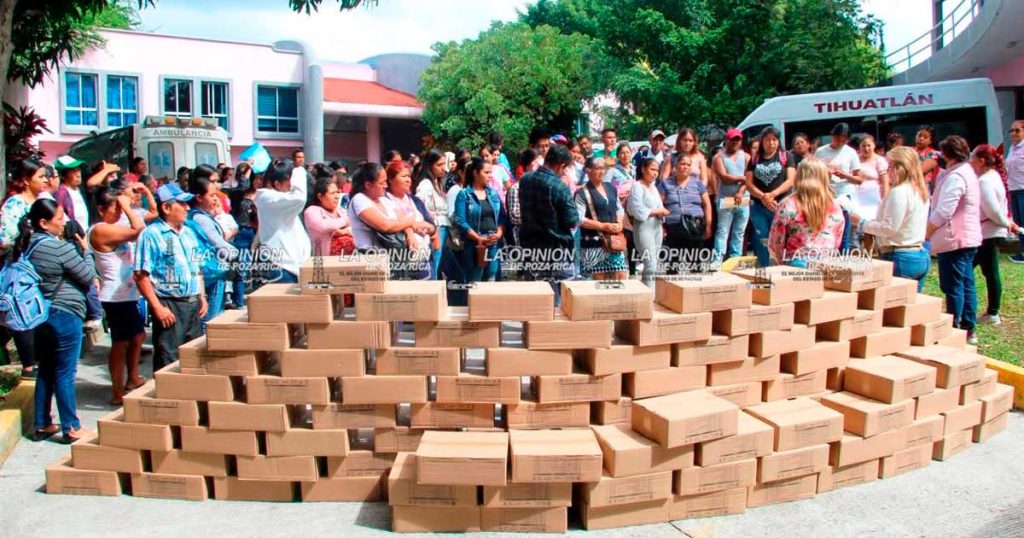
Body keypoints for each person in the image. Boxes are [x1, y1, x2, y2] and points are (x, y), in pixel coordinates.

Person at [16, 199, 96, 443]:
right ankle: (71, 427)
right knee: (64, 372)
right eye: (59, 218)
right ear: (44, 222)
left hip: (40, 315)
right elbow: (87, 276)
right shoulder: (57, 247)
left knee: (47, 370)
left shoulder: (27, 246)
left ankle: (42, 424)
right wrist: (87, 250)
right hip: (65, 312)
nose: (64, 223)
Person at [134, 184, 206, 371]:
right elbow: (141, 275)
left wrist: (202, 296)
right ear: (166, 208)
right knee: (169, 360)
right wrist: (157, 307)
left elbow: (197, 266)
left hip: (193, 304)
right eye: (182, 204)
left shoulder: (189, 232)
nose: (187, 208)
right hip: (170, 304)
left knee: (195, 357)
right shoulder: (151, 235)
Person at [89, 189, 147, 405]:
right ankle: (117, 391)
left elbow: (146, 218)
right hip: (115, 296)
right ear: (101, 210)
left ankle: (132, 377)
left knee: (138, 336)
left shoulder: (114, 227)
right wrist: (127, 206)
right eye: (115, 208)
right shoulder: (100, 230)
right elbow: (138, 229)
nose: (119, 211)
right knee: (120, 343)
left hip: (128, 293)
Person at [851, 147, 931, 290]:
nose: (887, 172)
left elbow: (889, 228)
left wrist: (861, 223)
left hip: (901, 256)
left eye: (889, 167)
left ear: (899, 168)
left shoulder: (899, 192)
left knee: (895, 307)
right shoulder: (920, 189)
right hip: (919, 254)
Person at [927, 135, 981, 345]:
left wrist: (928, 230)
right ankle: (969, 327)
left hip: (955, 238)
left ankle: (956, 328)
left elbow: (944, 210)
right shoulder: (967, 172)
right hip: (967, 237)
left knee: (953, 286)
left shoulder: (956, 177)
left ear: (948, 155)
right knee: (967, 283)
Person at [0, 159, 50, 378]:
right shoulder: (15, 205)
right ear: (26, 180)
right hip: (20, 271)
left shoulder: (45, 201)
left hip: (44, 270)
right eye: (40, 176)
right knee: (20, 314)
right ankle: (29, 367)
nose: (45, 180)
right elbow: (4, 240)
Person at [517, 144, 581, 287]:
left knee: (537, 300)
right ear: (561, 166)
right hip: (556, 251)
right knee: (563, 302)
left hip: (530, 249)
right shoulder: (559, 186)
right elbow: (573, 220)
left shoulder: (525, 180)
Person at [972, 144, 1019, 325]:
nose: (971, 162)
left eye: (973, 158)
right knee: (988, 272)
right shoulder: (992, 177)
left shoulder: (985, 181)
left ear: (981, 161)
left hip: (987, 233)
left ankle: (992, 313)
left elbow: (992, 210)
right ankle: (991, 312)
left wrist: (1007, 223)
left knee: (983, 271)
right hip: (989, 231)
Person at [768, 159, 845, 267]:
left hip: (796, 263)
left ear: (799, 176)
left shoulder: (788, 204)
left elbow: (776, 240)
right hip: (827, 262)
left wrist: (779, 261)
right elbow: (837, 237)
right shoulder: (835, 206)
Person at [187, 165, 238, 322]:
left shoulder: (200, 215)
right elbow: (218, 243)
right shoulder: (200, 218)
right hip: (211, 272)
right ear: (199, 196)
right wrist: (235, 253)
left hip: (209, 271)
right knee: (210, 319)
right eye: (212, 195)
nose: (216, 198)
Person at [745, 127, 796, 266]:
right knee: (762, 237)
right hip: (758, 206)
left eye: (774, 140)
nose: (771, 143)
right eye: (768, 140)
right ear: (762, 141)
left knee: (780, 237)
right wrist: (763, 197)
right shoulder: (754, 159)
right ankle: (764, 268)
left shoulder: (786, 156)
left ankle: (781, 266)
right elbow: (748, 183)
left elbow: (791, 180)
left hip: (780, 205)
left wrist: (773, 194)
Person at [451, 157, 504, 289]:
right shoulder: (464, 195)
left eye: (490, 172)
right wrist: (478, 238)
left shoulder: (493, 193)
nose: (490, 176)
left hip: (493, 242)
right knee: (475, 282)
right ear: (475, 173)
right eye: (486, 172)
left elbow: (502, 216)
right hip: (474, 244)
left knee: (492, 280)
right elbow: (460, 220)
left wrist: (499, 233)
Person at [347, 162, 425, 253]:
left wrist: (410, 235)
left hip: (391, 257)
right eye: (382, 183)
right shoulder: (359, 200)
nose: (386, 186)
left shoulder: (385, 201)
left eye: (386, 181)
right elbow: (384, 225)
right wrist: (411, 222)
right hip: (368, 256)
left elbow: (403, 220)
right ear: (368, 185)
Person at [254, 159, 309, 284]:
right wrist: (299, 171)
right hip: (280, 265)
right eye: (290, 181)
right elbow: (299, 199)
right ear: (277, 183)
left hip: (289, 265)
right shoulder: (267, 197)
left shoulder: (278, 198)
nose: (292, 186)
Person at [575, 157, 627, 280]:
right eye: (597, 168)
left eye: (603, 168)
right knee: (598, 281)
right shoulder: (582, 193)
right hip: (593, 243)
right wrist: (603, 226)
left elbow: (619, 209)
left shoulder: (610, 188)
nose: (601, 172)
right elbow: (580, 219)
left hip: (614, 241)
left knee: (620, 277)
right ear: (588, 170)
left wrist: (619, 223)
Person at [660, 156, 713, 273]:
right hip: (674, 227)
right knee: (673, 265)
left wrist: (708, 225)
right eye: (682, 164)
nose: (685, 167)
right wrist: (661, 225)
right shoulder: (665, 183)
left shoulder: (698, 183)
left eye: (688, 165)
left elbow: (707, 205)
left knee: (695, 263)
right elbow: (660, 204)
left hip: (695, 226)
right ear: (675, 166)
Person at [385, 161, 434, 278]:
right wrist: (410, 230)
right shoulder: (384, 201)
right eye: (403, 176)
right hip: (400, 261)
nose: (408, 180)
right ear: (391, 179)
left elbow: (432, 227)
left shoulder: (415, 201)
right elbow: (390, 224)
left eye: (409, 176)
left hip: (423, 257)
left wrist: (426, 227)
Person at [628, 158, 668, 285]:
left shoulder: (654, 187)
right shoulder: (637, 186)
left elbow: (660, 206)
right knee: (650, 263)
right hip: (643, 227)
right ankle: (650, 296)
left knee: (654, 264)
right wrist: (657, 211)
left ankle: (649, 294)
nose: (655, 173)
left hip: (657, 227)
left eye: (657, 170)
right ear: (643, 169)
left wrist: (662, 212)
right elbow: (636, 209)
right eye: (652, 169)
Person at [712, 128, 750, 262]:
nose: (735, 142)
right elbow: (724, 177)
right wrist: (743, 178)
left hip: (743, 199)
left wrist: (740, 190)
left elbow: (750, 178)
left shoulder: (746, 156)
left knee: (739, 232)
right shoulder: (718, 157)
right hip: (725, 199)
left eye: (737, 140)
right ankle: (717, 261)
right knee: (723, 231)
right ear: (726, 140)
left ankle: (735, 259)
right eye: (732, 139)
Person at [416, 150, 450, 279]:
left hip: (444, 229)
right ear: (430, 165)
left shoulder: (438, 183)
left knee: (444, 268)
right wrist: (429, 217)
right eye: (439, 164)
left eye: (444, 164)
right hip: (436, 229)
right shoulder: (426, 184)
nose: (443, 168)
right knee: (434, 267)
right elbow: (419, 204)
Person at [229, 170, 259, 307]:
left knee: (261, 268)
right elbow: (241, 187)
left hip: (258, 233)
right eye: (257, 178)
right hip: (242, 233)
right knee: (241, 268)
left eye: (261, 179)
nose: (259, 181)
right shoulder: (238, 196)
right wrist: (249, 167)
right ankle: (239, 301)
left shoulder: (264, 195)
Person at [304, 177, 353, 257]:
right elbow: (323, 226)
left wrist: (345, 231)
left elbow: (355, 227)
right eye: (332, 193)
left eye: (337, 192)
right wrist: (345, 220)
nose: (337, 196)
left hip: (349, 261)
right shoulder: (311, 211)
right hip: (325, 262)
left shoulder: (341, 211)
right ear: (320, 196)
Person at [815, 122, 861, 202]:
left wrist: (845, 175)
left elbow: (859, 179)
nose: (839, 143)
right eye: (837, 139)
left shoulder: (851, 152)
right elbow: (813, 173)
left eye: (843, 141)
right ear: (832, 136)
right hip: (826, 191)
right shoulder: (820, 151)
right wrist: (824, 172)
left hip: (846, 192)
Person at [856, 135, 890, 220]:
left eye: (869, 145)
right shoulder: (855, 159)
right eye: (863, 146)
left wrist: (884, 200)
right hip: (857, 196)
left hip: (874, 196)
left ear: (874, 145)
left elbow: (885, 182)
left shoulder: (879, 160)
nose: (866, 148)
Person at [1007, 119, 1024, 263]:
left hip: (1023, 189)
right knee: (1019, 223)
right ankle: (1022, 252)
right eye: (1011, 130)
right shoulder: (1013, 148)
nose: (1013, 133)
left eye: (1017, 130)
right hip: (1014, 189)